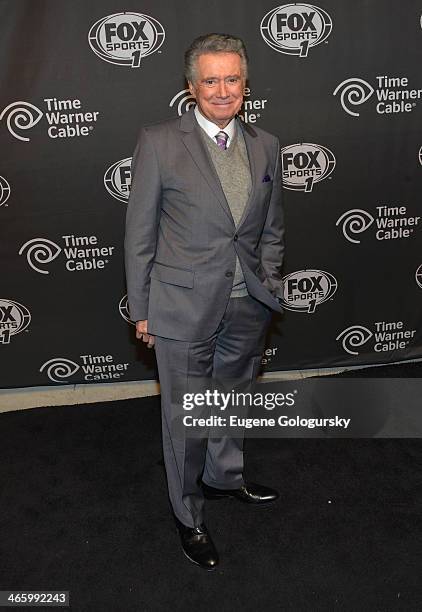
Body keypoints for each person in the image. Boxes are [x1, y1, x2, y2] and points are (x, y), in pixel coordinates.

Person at [124, 33, 285, 570]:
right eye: (210, 80)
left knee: (232, 401)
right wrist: (142, 307)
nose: (222, 90)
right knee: (185, 418)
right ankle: (188, 514)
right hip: (181, 307)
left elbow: (271, 227)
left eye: (232, 79)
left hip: (247, 303)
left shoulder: (266, 144)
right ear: (191, 87)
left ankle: (223, 479)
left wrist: (271, 282)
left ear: (246, 84)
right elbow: (140, 234)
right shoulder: (159, 141)